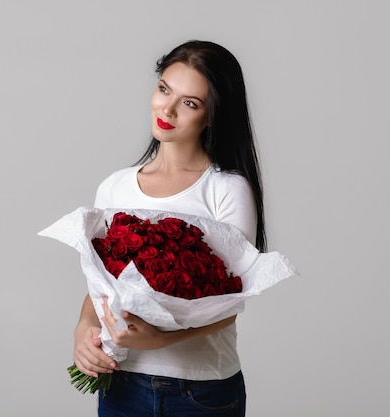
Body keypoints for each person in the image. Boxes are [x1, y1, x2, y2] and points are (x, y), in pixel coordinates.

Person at [73, 40, 266, 417]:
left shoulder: (226, 189)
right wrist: (83, 329)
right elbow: (100, 284)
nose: (168, 109)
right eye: (164, 89)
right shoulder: (115, 186)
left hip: (201, 390)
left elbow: (228, 304)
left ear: (211, 115)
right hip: (122, 382)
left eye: (189, 103)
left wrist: (161, 340)